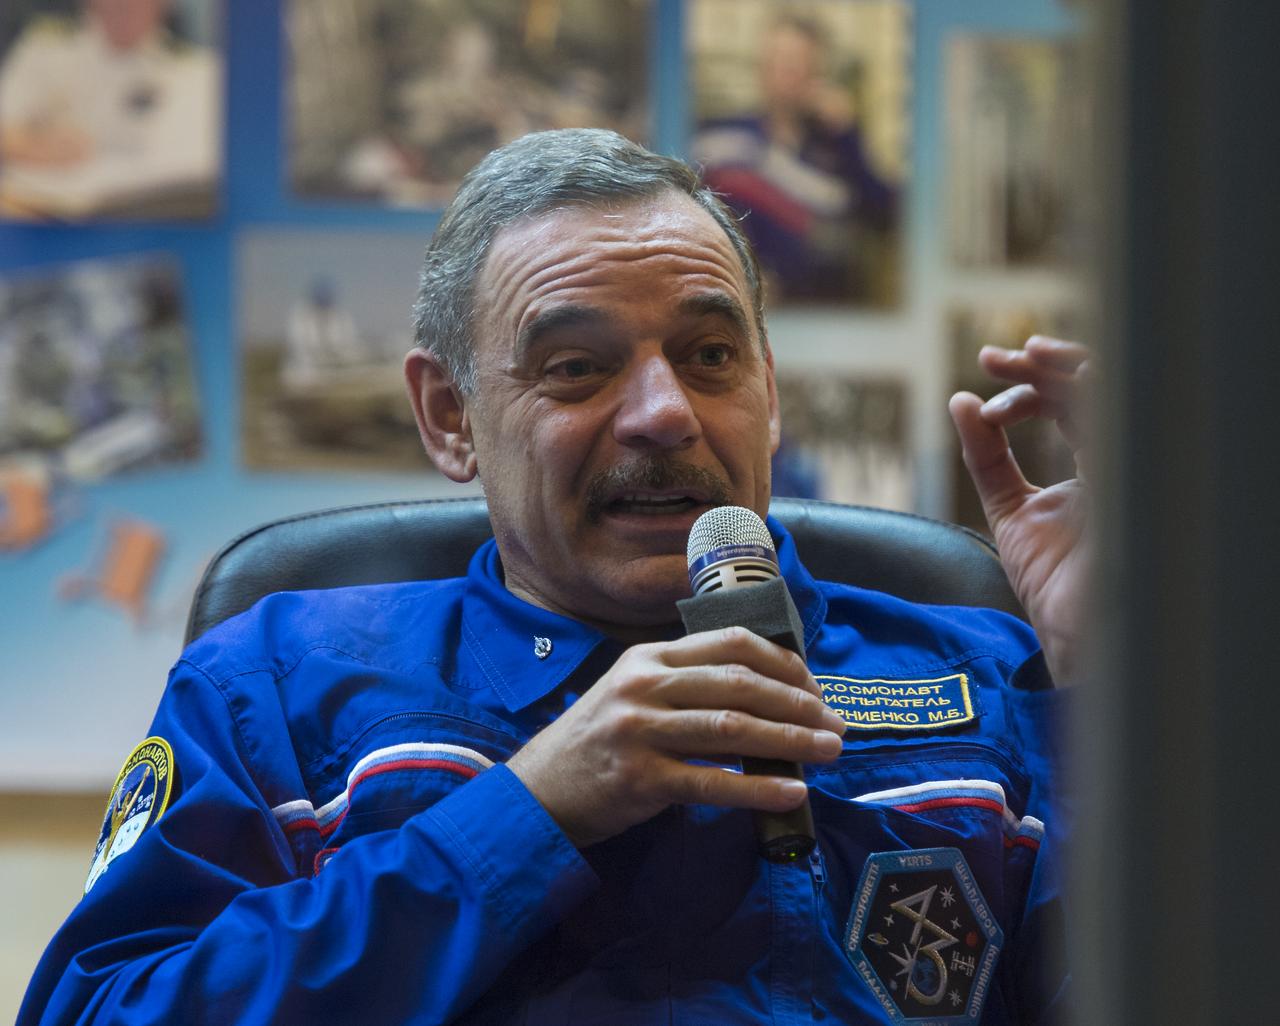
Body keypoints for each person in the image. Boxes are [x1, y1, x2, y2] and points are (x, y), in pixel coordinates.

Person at [19, 129, 1085, 1024]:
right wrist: (525, 817)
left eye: (710, 356)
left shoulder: (985, 673)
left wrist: (1127, 693)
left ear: (768, 387)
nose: (664, 413)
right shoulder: (276, 686)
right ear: (450, 417)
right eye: (577, 366)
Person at [692, 14, 899, 301]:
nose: (784, 71)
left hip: (828, 313)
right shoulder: (723, 138)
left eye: (797, 61)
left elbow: (885, 215)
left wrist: (847, 134)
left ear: (817, 73)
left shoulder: (838, 145)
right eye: (776, 58)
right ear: (761, 66)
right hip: (740, 306)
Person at [0, 0, 219, 219]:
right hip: (46, 221)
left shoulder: (196, 68)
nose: (125, 5)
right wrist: (32, 146)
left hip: (150, 222)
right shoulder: (48, 47)